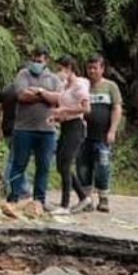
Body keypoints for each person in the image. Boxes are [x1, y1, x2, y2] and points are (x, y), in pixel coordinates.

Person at [4, 47, 62, 206]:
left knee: (43, 166)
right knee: (19, 164)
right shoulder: (23, 74)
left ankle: (39, 201)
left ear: (46, 61)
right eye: (35, 60)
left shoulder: (54, 78)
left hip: (47, 131)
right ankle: (14, 197)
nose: (36, 64)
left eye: (40, 61)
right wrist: (45, 96)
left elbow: (59, 99)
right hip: (23, 129)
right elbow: (22, 95)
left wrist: (39, 92)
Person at [75, 54, 124, 213]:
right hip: (82, 136)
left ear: (102, 69)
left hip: (102, 136)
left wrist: (112, 130)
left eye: (95, 68)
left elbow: (117, 109)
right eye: (89, 68)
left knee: (102, 167)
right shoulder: (82, 86)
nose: (92, 71)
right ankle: (87, 199)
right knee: (83, 167)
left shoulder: (111, 87)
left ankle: (103, 199)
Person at [50, 55, 90, 214]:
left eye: (60, 68)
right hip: (66, 125)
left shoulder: (80, 85)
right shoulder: (65, 86)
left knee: (66, 164)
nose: (59, 72)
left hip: (76, 126)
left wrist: (65, 111)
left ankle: (65, 205)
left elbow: (86, 109)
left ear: (69, 68)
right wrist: (57, 116)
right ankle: (83, 197)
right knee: (61, 165)